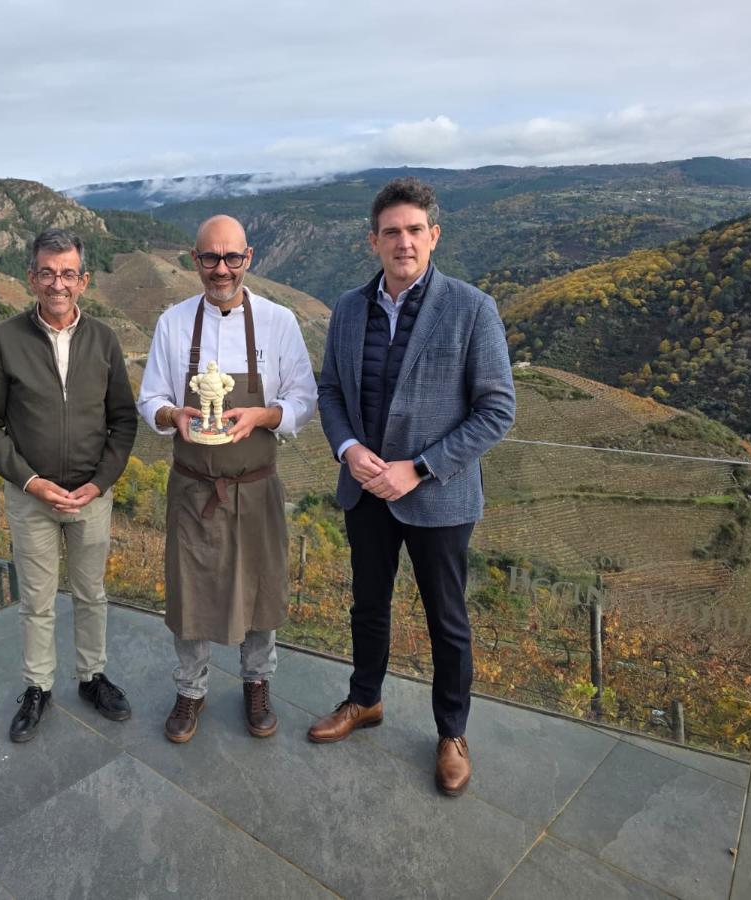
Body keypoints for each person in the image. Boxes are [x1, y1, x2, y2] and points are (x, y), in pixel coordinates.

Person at [309, 178, 515, 796]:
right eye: (392, 232)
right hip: (365, 489)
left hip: (438, 497)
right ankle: (365, 699)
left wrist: (418, 468)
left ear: (434, 236)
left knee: (446, 620)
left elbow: (497, 410)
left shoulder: (472, 308)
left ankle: (452, 732)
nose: (404, 242)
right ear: (372, 240)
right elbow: (330, 392)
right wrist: (349, 450)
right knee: (367, 605)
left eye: (415, 230)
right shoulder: (349, 308)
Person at [138, 215, 317, 743]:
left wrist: (264, 415)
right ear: (195, 260)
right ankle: (190, 688)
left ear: (248, 258)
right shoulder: (172, 324)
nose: (222, 269)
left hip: (256, 485)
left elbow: (304, 399)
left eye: (232, 257)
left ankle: (257, 683)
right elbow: (150, 398)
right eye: (211, 258)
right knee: (189, 594)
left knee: (261, 592)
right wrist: (173, 415)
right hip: (193, 487)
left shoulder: (279, 322)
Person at [0, 228, 137, 743]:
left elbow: (123, 422)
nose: (57, 283)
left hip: (91, 497)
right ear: (31, 278)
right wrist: (30, 481)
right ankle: (38, 687)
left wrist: (101, 482)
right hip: (31, 498)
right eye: (47, 272)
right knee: (36, 601)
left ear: (83, 281)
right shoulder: (5, 339)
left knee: (91, 593)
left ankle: (92, 677)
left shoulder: (104, 340)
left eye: (67, 273)